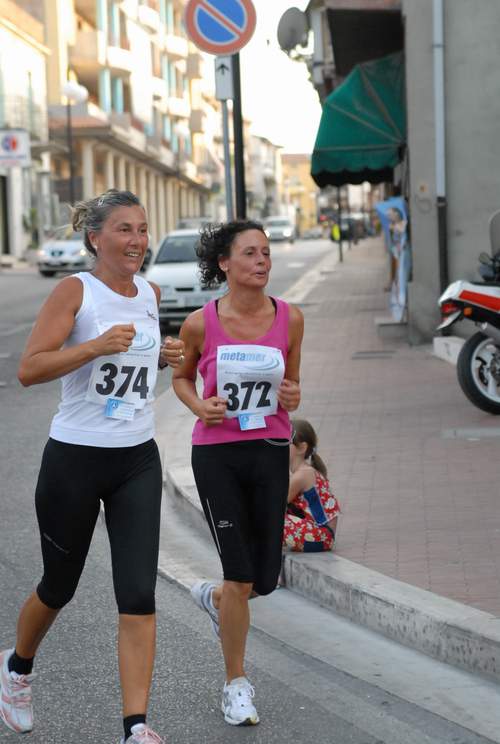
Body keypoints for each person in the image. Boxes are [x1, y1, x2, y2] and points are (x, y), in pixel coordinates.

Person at [0, 189, 184, 744]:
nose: (137, 241)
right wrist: (95, 346)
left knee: (138, 593)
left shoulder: (151, 294)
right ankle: (17, 668)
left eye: (143, 229)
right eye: (125, 229)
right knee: (60, 585)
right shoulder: (74, 290)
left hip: (136, 457)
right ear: (95, 238)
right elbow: (29, 369)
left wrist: (163, 355)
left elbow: (136, 365)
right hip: (75, 459)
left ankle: (136, 727)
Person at [171, 220, 303, 726]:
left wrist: (293, 396)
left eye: (266, 252)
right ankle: (236, 684)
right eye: (250, 253)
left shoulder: (290, 319)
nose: (261, 261)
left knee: (262, 581)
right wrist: (199, 407)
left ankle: (215, 599)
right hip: (218, 455)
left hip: (270, 448)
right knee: (240, 572)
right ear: (224, 263)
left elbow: (292, 385)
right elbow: (182, 377)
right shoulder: (201, 323)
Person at [283, 419, 340, 553]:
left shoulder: (302, 475)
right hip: (321, 535)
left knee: (269, 517)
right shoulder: (305, 471)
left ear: (302, 447)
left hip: (322, 536)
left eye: (285, 441)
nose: (279, 445)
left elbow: (276, 504)